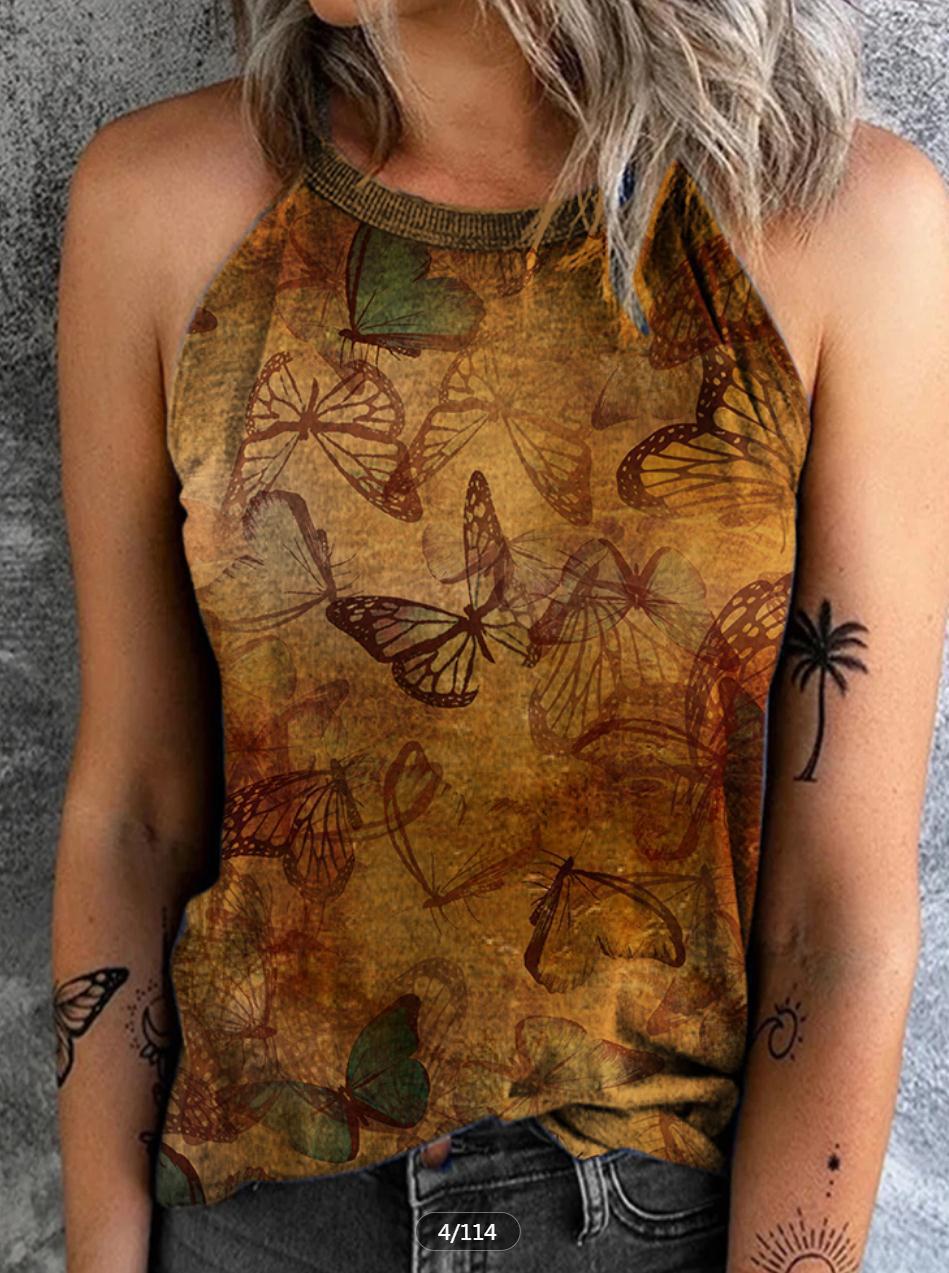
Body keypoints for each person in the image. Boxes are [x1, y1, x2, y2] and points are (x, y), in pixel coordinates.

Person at [52, 2, 949, 1270]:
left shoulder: (840, 228)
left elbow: (836, 921)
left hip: (650, 1222)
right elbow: (134, 814)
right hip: (259, 1214)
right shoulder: (157, 207)